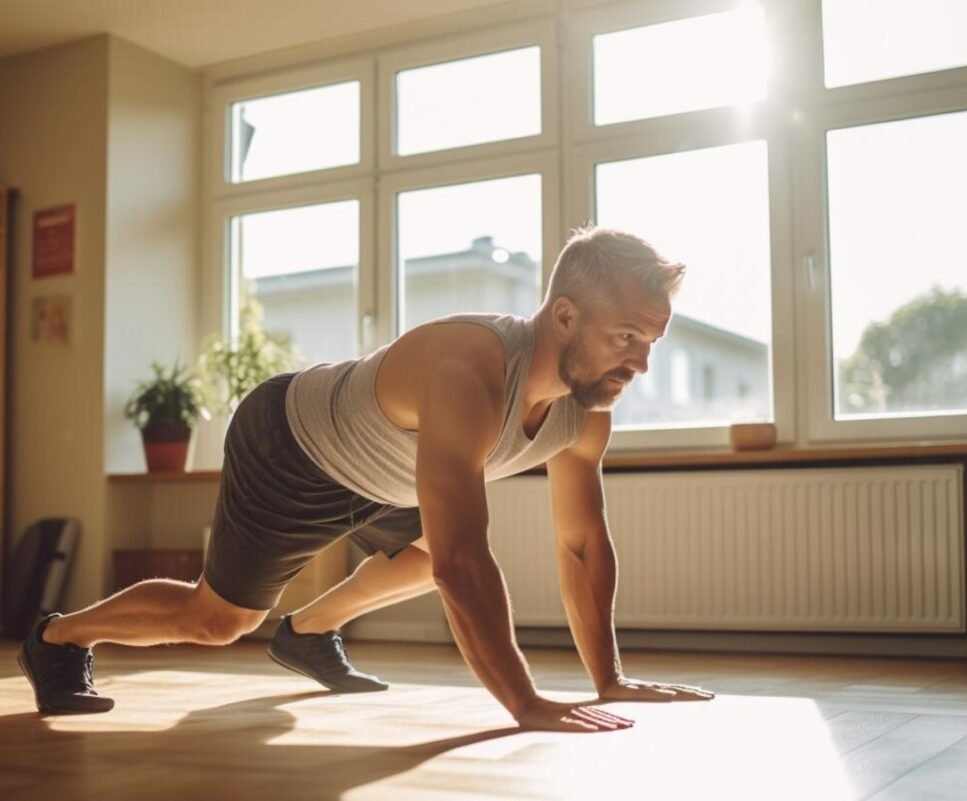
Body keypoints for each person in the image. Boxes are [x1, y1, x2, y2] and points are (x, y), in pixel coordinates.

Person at [18, 225, 714, 731]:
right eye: (627, 337)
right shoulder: (469, 371)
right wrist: (525, 703)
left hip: (389, 476)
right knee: (218, 620)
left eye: (651, 342)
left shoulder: (584, 411)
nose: (641, 364)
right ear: (564, 315)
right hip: (292, 447)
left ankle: (310, 631)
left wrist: (609, 679)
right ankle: (59, 636)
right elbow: (465, 562)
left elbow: (582, 545)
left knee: (422, 556)